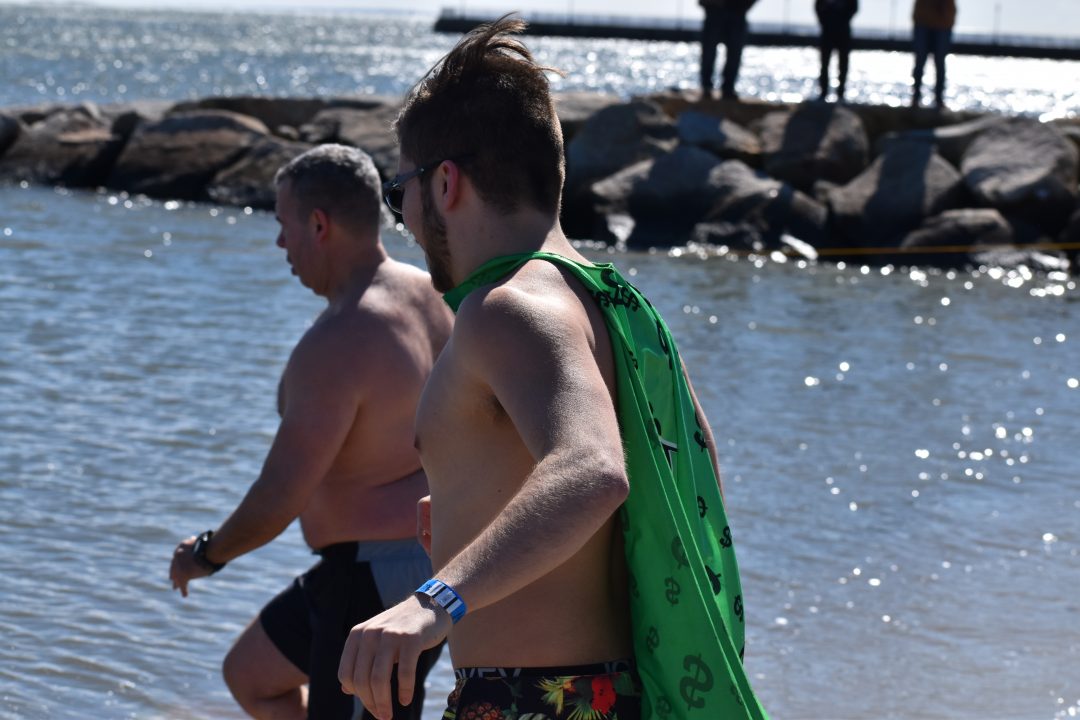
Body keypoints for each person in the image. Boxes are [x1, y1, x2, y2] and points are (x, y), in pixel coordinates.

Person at [337, 16, 770, 720]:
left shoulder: (506, 307)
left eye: (399, 193)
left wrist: (434, 599)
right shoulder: (621, 308)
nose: (406, 220)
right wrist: (476, 523)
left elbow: (593, 470)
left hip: (532, 700)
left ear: (445, 183)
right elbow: (695, 487)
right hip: (614, 697)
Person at [169, 144, 453, 720]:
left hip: (376, 582)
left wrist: (206, 554)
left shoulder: (342, 339)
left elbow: (281, 494)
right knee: (251, 676)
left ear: (319, 225)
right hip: (405, 563)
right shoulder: (430, 294)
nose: (280, 243)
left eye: (284, 224)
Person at [698, 0, 759, 101]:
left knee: (733, 53)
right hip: (715, 9)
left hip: (737, 10)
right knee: (709, 52)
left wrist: (745, 4)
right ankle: (707, 87)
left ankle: (727, 88)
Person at [911, 0, 957, 109]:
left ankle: (939, 100)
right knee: (920, 62)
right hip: (923, 21)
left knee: (939, 63)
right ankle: (916, 98)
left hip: (943, 23)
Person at [815, 0, 858, 102]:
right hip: (827, 31)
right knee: (824, 63)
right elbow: (818, 7)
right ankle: (823, 92)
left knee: (843, 64)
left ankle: (841, 93)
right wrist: (824, 21)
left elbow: (854, 8)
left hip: (843, 32)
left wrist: (843, 19)